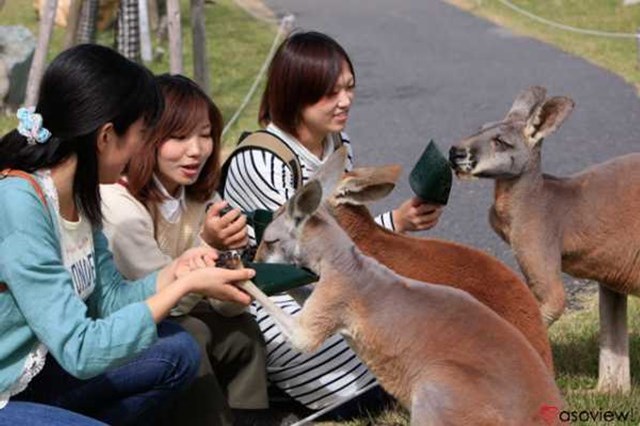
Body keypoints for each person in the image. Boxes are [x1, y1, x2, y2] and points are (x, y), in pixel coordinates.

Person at [0, 44, 254, 425]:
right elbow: (81, 350)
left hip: (41, 374)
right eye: (141, 132)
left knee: (177, 351)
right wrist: (183, 288)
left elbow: (111, 300)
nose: (141, 146)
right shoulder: (20, 203)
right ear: (105, 137)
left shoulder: (80, 195)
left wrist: (178, 271)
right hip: (8, 389)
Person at [221, 31, 444, 419]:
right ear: (294, 93)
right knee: (373, 392)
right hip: (274, 298)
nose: (345, 101)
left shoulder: (336, 143)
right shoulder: (260, 159)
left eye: (349, 87)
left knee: (414, 369)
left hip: (333, 284)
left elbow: (339, 239)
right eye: (330, 93)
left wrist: (400, 220)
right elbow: (299, 256)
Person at [100, 74, 268, 426]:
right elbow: (168, 299)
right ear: (145, 139)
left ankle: (251, 419)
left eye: (205, 135)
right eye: (178, 137)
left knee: (243, 333)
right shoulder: (119, 205)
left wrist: (233, 258)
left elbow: (226, 305)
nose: (196, 150)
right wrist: (209, 245)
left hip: (181, 310)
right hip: (126, 323)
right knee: (193, 332)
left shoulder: (199, 194)